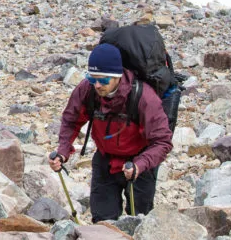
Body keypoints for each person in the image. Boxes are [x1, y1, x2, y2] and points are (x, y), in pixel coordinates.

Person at [48, 43, 172, 220]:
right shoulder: (87, 89)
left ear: (118, 76)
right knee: (103, 222)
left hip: (139, 164)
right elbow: (71, 119)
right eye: (93, 79)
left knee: (139, 220)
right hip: (105, 161)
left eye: (104, 80)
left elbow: (162, 142)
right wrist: (62, 152)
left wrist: (140, 165)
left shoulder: (144, 97)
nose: (97, 85)